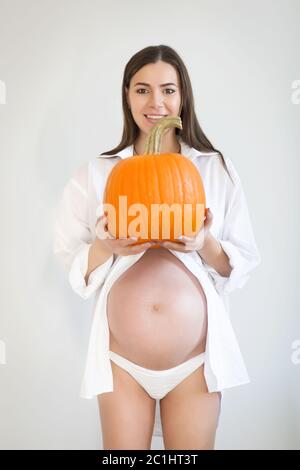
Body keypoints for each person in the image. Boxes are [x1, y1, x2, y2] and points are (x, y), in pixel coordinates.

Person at [53, 45, 261, 450]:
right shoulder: (96, 173)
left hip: (196, 363)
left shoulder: (214, 168)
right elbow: (69, 260)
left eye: (168, 90)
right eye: (142, 90)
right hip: (121, 364)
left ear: (183, 97)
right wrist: (105, 245)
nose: (156, 103)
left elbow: (242, 261)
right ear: (126, 95)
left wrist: (204, 243)